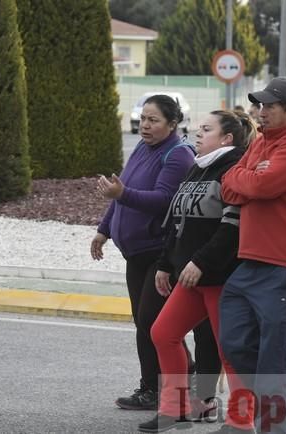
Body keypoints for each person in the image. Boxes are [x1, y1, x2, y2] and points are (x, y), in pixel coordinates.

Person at [92, 94, 217, 411]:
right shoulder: (142, 148)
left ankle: (163, 384)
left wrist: (123, 194)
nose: (145, 125)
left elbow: (164, 200)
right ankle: (159, 382)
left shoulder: (177, 155)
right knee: (144, 321)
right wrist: (104, 229)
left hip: (159, 254)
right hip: (134, 253)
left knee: (152, 321)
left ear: (173, 124)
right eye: (143, 119)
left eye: (153, 120)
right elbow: (122, 190)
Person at [137, 111, 258, 433]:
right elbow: (177, 223)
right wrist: (165, 264)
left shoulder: (235, 168)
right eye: (197, 129)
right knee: (163, 333)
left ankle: (241, 420)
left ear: (227, 138)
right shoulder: (197, 168)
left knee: (229, 349)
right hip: (190, 278)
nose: (197, 135)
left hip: (221, 278)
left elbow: (232, 227)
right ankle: (174, 408)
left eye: (206, 129)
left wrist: (202, 262)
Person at [219, 77, 286, 433]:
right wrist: (250, 176)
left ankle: (282, 399)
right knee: (232, 342)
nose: (261, 113)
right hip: (251, 264)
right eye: (260, 106)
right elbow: (228, 185)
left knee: (272, 371)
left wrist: (251, 180)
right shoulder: (261, 142)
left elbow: (260, 186)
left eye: (269, 107)